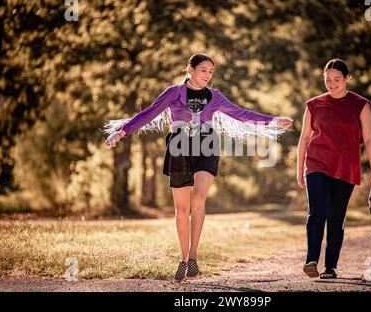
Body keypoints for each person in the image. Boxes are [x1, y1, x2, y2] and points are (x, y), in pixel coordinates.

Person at [104, 53, 293, 282]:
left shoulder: (215, 96)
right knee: (182, 211)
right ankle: (184, 259)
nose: (208, 75)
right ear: (190, 69)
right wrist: (122, 131)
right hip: (179, 148)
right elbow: (149, 113)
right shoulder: (174, 92)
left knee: (199, 198)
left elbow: (241, 114)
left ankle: (194, 255)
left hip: (207, 146)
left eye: (211, 71)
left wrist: (272, 120)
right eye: (203, 70)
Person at [296, 58, 371, 279]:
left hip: (346, 167)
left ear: (347, 79)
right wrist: (299, 169)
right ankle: (311, 260)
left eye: (336, 79)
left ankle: (330, 267)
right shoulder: (313, 105)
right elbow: (304, 139)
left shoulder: (360, 105)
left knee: (336, 217)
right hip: (317, 164)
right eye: (327, 80)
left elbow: (369, 140)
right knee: (317, 212)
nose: (332, 84)